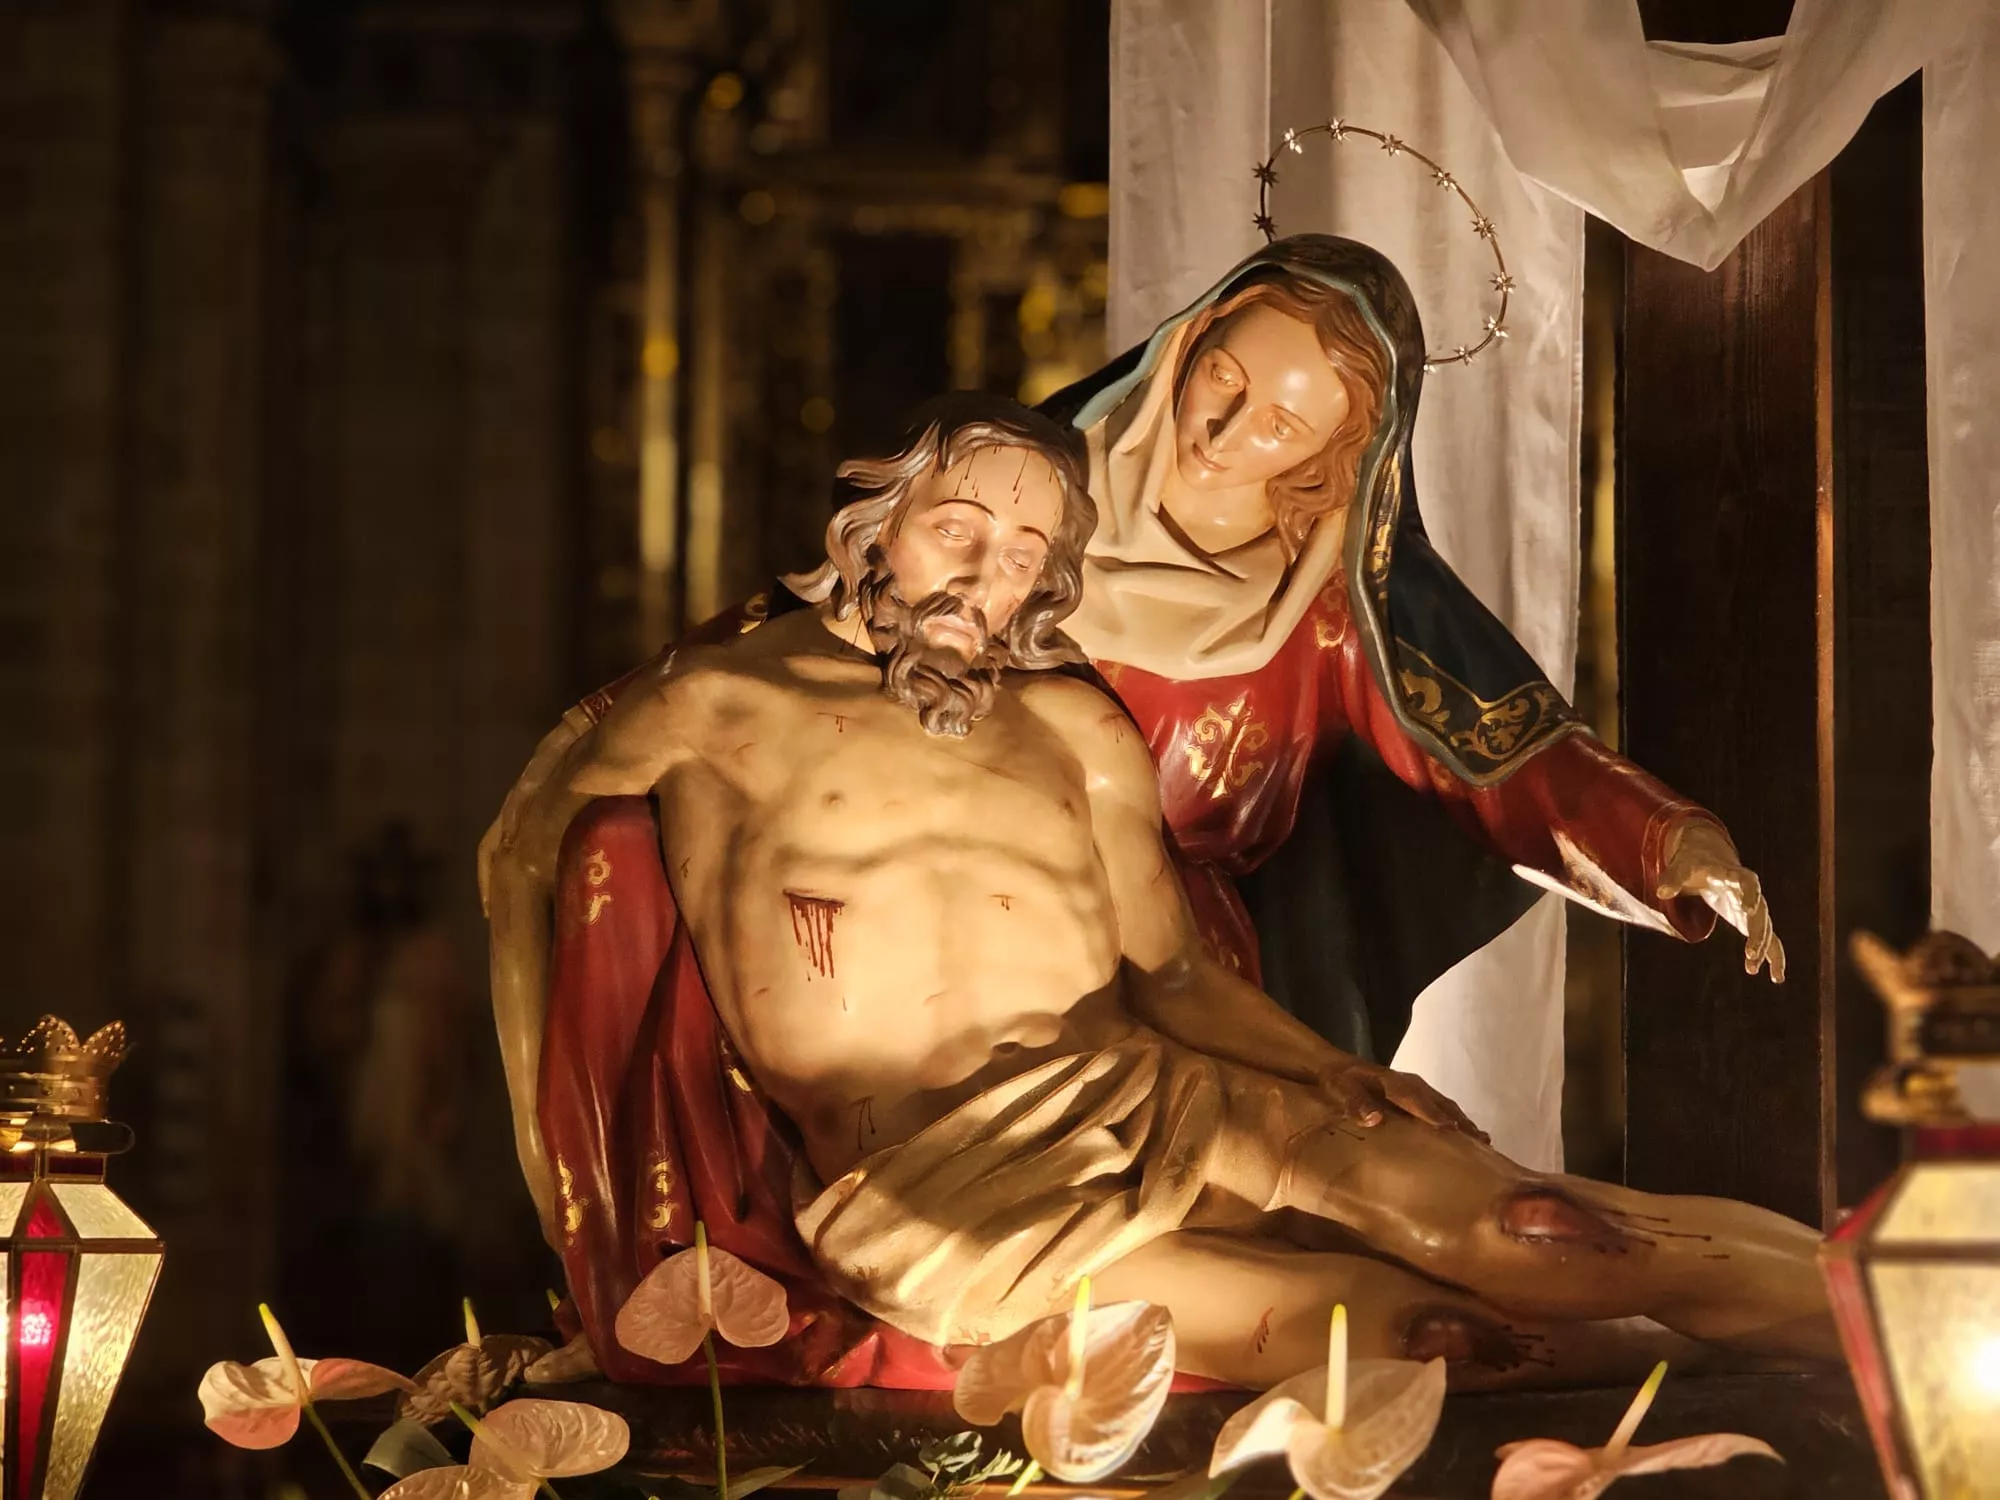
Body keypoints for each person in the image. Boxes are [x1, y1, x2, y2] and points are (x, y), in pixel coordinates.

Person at [495, 393, 1832, 1391]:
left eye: (1025, 551)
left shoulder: (1071, 728)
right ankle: (1824, 1391)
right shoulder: (716, 705)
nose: (983, 575)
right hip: (935, 1185)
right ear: (870, 524)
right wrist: (594, 1216)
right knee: (1432, 1338)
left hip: (1161, 1087)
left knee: (1536, 1228)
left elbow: (1176, 977)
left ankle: (1898, 1309)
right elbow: (535, 887)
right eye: (956, 529)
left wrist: (1335, 1072)